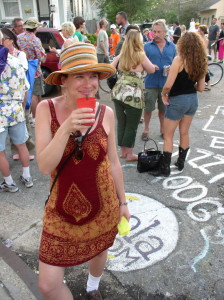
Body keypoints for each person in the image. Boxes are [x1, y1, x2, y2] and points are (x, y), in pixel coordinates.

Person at [36, 42, 130, 300]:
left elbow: (113, 163)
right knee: (47, 285)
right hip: (60, 211)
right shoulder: (46, 110)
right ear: (63, 80)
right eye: (79, 76)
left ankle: (92, 287)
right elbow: (44, 166)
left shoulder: (106, 113)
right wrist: (65, 129)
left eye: (92, 76)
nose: (88, 83)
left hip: (103, 205)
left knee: (100, 251)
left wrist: (122, 202)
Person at [149, 32, 207, 177]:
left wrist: (163, 94)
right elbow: (200, 88)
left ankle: (165, 168)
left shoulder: (179, 59)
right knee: (184, 133)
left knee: (168, 136)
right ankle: (180, 163)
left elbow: (168, 85)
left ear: (183, 44)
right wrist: (188, 88)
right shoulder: (201, 61)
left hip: (177, 100)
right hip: (192, 100)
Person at [111, 29, 156, 161]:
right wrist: (152, 66)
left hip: (118, 93)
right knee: (132, 125)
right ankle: (130, 154)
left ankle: (123, 152)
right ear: (139, 40)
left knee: (121, 123)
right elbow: (151, 70)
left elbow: (110, 69)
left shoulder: (121, 55)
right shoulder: (140, 55)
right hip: (133, 95)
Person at [0, 30, 33, 192]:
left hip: (0, 111)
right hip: (15, 109)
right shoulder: (16, 61)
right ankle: (27, 177)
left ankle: (9, 183)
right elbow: (26, 88)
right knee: (21, 145)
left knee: (0, 151)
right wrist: (20, 103)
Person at [142, 19, 176, 141]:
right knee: (148, 109)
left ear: (165, 33)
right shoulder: (146, 46)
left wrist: (172, 68)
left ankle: (162, 129)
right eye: (154, 31)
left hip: (165, 84)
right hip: (150, 83)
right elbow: (140, 64)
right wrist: (149, 67)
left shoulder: (172, 47)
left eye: (159, 32)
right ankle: (146, 129)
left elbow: (177, 63)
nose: (156, 34)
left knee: (163, 110)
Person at [17, 17, 47, 126]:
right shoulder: (35, 39)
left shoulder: (18, 37)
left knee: (27, 93)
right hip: (34, 71)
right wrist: (44, 55)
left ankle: (30, 115)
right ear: (35, 28)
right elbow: (41, 57)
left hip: (22, 69)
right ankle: (36, 118)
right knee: (35, 94)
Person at [198, 24, 211, 90]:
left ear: (203, 31)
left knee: (204, 71)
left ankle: (208, 84)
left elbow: (204, 48)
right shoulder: (198, 37)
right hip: (198, 56)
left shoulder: (206, 40)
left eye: (199, 31)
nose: (198, 32)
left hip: (202, 56)